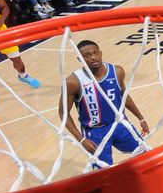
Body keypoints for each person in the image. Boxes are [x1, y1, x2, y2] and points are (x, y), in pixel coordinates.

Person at [57, 40, 149, 168]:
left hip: (120, 124)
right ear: (80, 58)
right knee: (104, 170)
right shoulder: (73, 82)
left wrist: (141, 117)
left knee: (144, 154)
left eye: (95, 53)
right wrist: (81, 140)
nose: (93, 57)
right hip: (95, 132)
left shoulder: (117, 71)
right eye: (87, 55)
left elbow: (124, 97)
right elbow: (63, 113)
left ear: (100, 53)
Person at [0, 0, 41, 108]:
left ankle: (23, 76)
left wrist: (2, 18)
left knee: (17, 61)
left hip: (0, 31)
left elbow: (5, 8)